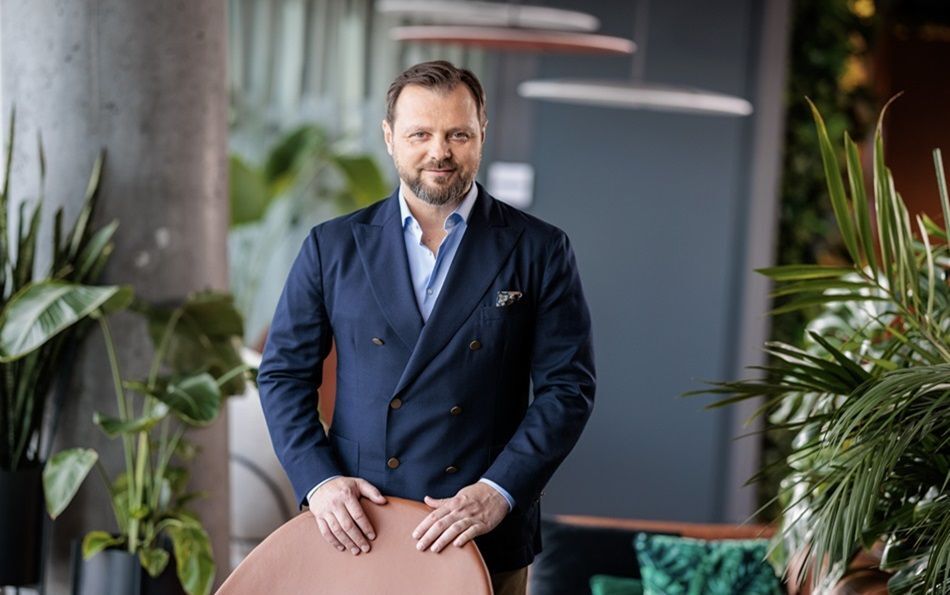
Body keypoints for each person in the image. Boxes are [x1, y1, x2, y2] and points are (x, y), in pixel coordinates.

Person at [258, 60, 595, 595]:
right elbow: (282, 375)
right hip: (361, 526)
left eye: (458, 134)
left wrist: (499, 490)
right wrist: (319, 482)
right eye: (420, 134)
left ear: (482, 134)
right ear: (389, 137)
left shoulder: (539, 248)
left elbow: (568, 389)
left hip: (481, 530)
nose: (440, 152)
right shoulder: (333, 246)